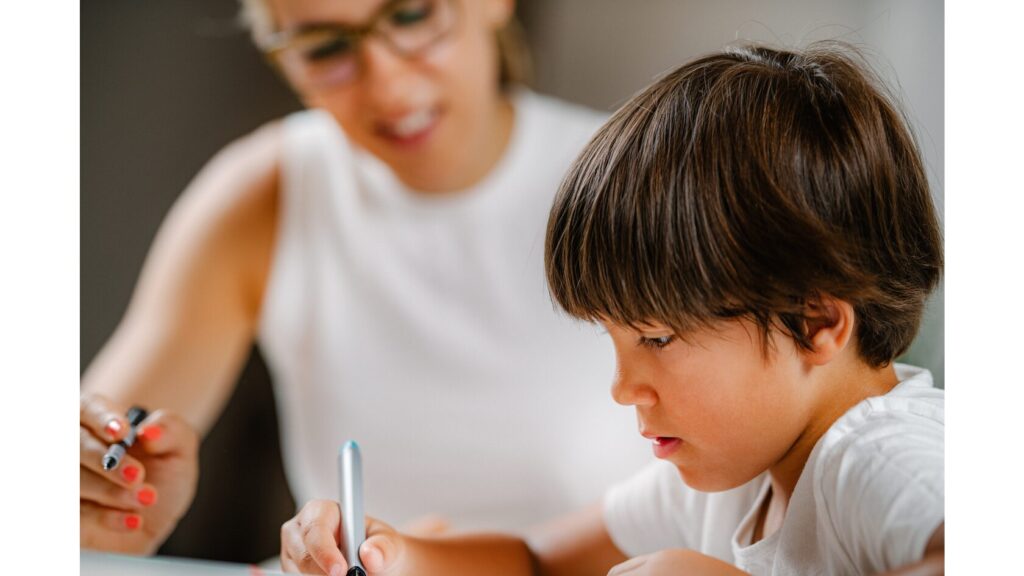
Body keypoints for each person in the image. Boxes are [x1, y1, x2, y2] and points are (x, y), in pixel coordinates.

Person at [279, 43, 945, 575]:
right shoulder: (736, 475)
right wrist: (391, 555)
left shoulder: (881, 456)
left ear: (816, 322)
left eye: (655, 337)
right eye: (612, 337)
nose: (622, 388)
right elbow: (538, 561)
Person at [79, 0, 651, 556]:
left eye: (411, 15)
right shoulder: (265, 197)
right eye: (325, 47)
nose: (388, 88)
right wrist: (99, 518)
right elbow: (90, 464)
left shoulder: (645, 186)